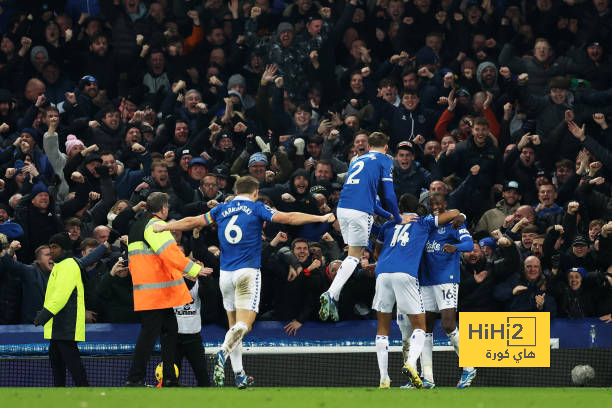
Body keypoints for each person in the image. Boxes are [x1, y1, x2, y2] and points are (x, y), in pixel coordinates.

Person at [153, 176, 335, 388]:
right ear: (255, 192)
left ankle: (239, 374)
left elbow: (192, 221)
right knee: (245, 324)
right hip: (247, 272)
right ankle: (223, 351)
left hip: (226, 276)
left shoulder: (221, 209)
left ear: (236, 190)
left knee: (233, 327)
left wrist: (165, 227)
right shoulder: (257, 208)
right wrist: (320, 218)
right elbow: (289, 217)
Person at [372, 193, 459, 389]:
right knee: (420, 326)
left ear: (399, 208)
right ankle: (411, 364)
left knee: (382, 328)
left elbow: (377, 250)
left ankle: (384, 378)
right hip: (405, 274)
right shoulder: (423, 222)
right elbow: (453, 213)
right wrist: (460, 215)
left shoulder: (388, 224)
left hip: (383, 273)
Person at [320, 132, 409, 322]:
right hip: (360, 211)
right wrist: (399, 217)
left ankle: (334, 297)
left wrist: (389, 216)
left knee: (352, 253)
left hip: (342, 209)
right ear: (386, 148)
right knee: (355, 255)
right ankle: (331, 293)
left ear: (368, 146)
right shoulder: (385, 160)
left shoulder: (358, 160)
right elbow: (389, 195)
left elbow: (375, 202)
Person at [125, 192, 212, 387]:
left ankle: (170, 378)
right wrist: (195, 269)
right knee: (149, 335)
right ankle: (135, 377)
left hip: (151, 291)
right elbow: (171, 254)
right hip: (157, 292)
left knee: (170, 331)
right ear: (164, 208)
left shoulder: (136, 227)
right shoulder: (156, 227)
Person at [420, 193, 475, 389]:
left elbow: (469, 245)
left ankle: (469, 366)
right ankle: (427, 377)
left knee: (448, 324)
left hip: (446, 279)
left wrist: (455, 247)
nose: (435, 206)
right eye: (432, 204)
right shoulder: (426, 225)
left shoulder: (455, 223)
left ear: (446, 205)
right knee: (425, 328)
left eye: (439, 203)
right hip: (426, 280)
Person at [32, 233, 88, 387]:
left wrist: (43, 316)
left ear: (65, 249)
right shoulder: (60, 266)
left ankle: (86, 392)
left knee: (73, 364)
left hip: (66, 324)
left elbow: (61, 296)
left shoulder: (69, 265)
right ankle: (59, 396)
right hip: (58, 325)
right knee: (57, 364)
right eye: (50, 247)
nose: (51, 251)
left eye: (55, 247)